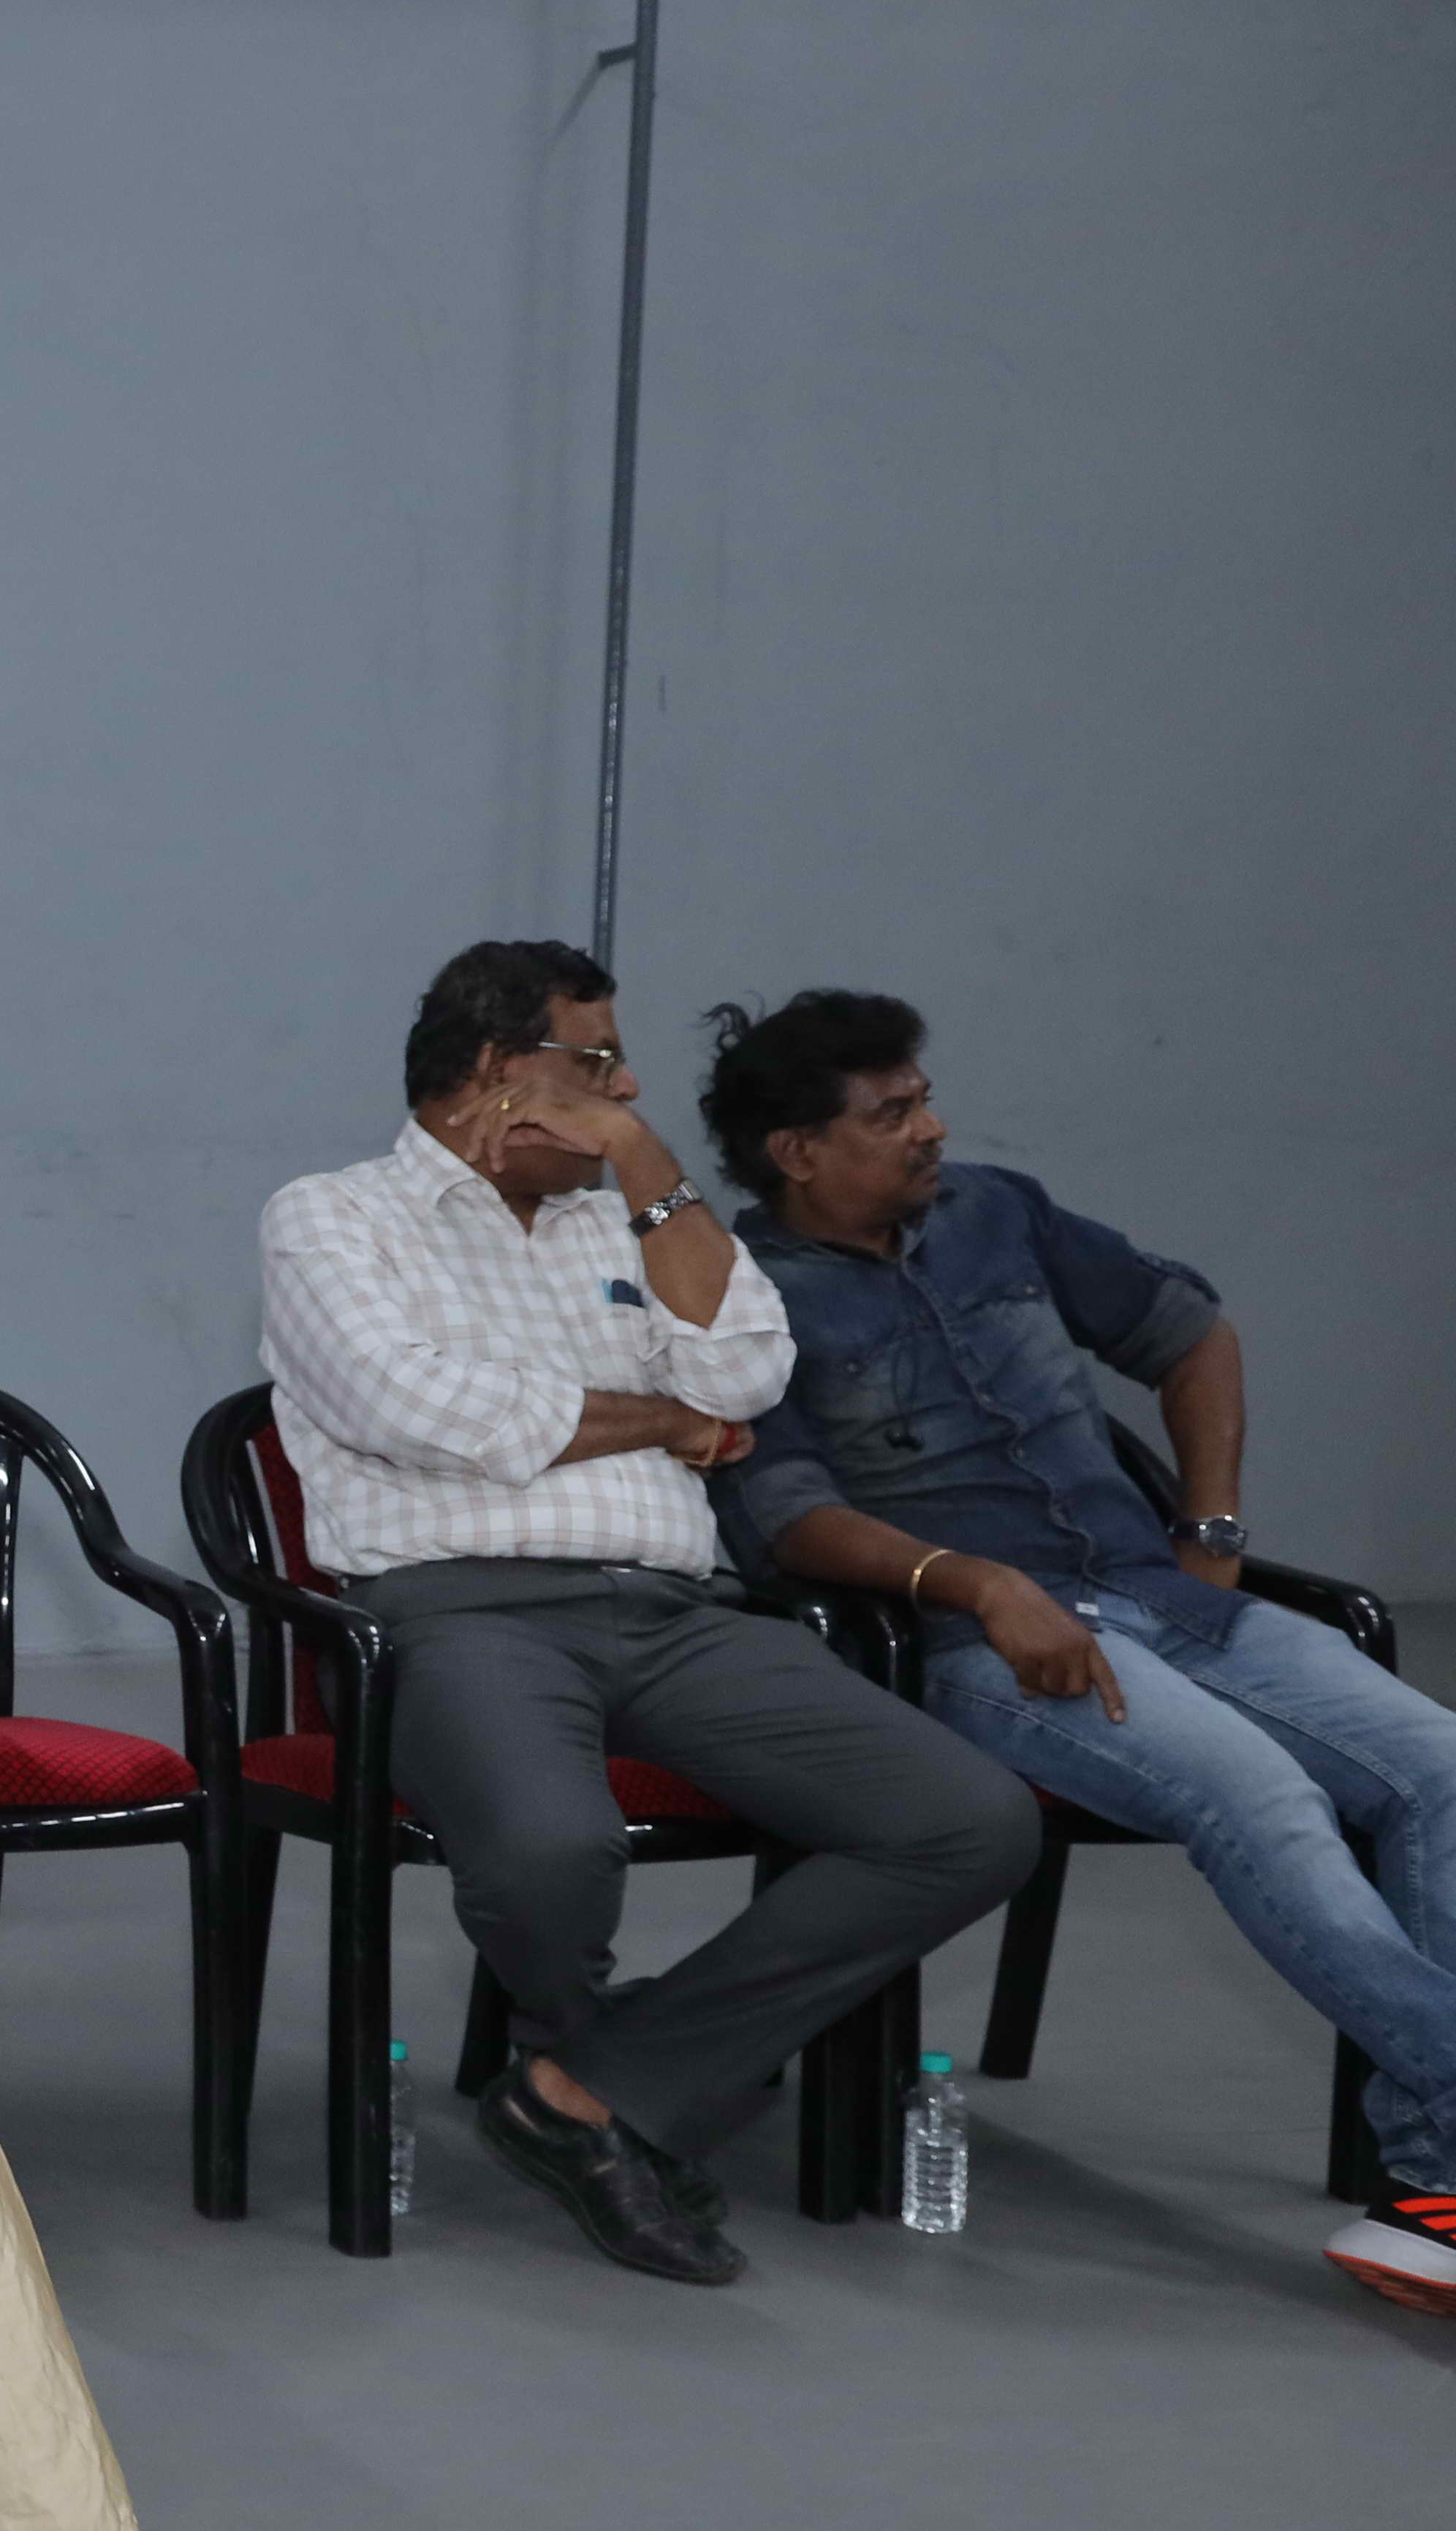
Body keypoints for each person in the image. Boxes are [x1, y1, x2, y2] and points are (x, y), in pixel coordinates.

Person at [259, 940, 1036, 2285]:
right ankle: (610, 2090)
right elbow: (420, 1409)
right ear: (500, 1070)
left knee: (967, 1820)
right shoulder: (333, 1216)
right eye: (600, 1062)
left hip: (679, 1614)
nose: (625, 1088)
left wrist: (643, 1163)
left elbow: (747, 1373)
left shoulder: (634, 1216)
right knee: (553, 1850)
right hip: (458, 1614)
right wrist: (663, 1422)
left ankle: (586, 2091)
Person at [703, 991, 1456, 2315]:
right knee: (1265, 1800)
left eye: (925, 1098)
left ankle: (1438, 2181)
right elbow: (787, 1521)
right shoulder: (739, 1298)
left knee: (1440, 1765)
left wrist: (1210, 1524)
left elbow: (1190, 1333)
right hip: (982, 1645)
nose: (933, 1129)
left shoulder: (1000, 1211)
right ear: (797, 1153)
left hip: (1168, 1597)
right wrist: (982, 1583)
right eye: (893, 1114)